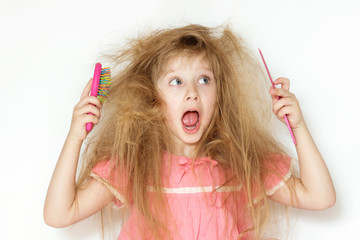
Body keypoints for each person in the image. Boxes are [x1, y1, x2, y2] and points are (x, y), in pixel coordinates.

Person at [44, 24, 336, 239]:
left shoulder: (240, 165)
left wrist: (298, 126)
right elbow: (59, 214)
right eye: (176, 82)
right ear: (153, 100)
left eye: (204, 79)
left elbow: (320, 197)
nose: (192, 93)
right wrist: (75, 137)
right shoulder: (135, 167)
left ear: (219, 97)